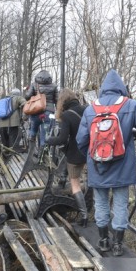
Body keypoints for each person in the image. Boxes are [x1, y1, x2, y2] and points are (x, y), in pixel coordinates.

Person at [76, 69, 136, 256]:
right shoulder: (129, 105)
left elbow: (81, 140)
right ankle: (118, 245)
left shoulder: (91, 109)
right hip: (123, 166)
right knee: (121, 204)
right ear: (121, 88)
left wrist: (93, 158)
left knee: (101, 203)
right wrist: (132, 129)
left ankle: (104, 240)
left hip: (98, 167)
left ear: (103, 89)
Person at [45, 88, 88, 226]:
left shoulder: (66, 116)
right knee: (86, 179)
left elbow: (62, 140)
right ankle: (62, 179)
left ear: (62, 102)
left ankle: (84, 215)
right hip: (90, 152)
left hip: (75, 155)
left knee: (75, 183)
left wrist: (49, 139)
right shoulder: (87, 110)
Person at [24, 70, 58, 148]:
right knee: (45, 133)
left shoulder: (34, 85)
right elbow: (57, 100)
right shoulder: (54, 86)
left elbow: (27, 97)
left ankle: (31, 139)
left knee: (33, 128)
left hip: (36, 111)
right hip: (48, 112)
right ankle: (43, 152)